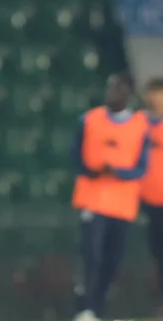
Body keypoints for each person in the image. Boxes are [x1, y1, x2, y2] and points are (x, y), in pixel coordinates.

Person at [71, 72, 150, 321]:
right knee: (92, 255)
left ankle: (99, 305)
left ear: (130, 94)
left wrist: (120, 173)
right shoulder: (89, 120)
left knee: (112, 259)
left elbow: (141, 166)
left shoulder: (141, 126)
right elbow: (75, 156)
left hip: (122, 204)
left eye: (118, 89)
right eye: (110, 88)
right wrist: (91, 171)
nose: (112, 94)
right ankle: (85, 308)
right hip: (93, 201)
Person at [141, 78, 163, 304]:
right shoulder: (139, 124)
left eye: (157, 92)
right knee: (157, 253)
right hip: (146, 199)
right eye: (150, 93)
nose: (153, 98)